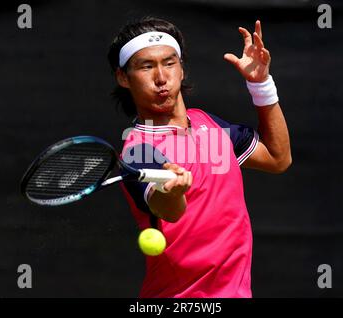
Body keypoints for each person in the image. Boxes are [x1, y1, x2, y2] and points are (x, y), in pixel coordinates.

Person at [107, 16, 291, 298]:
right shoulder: (138, 150)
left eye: (169, 63)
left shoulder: (211, 125)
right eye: (146, 66)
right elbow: (169, 209)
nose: (160, 77)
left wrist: (261, 84)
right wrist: (173, 192)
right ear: (123, 78)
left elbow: (279, 159)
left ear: (181, 69)